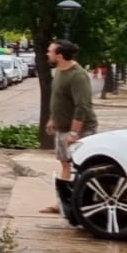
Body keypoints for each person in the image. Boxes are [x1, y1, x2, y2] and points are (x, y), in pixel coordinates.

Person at [43, 38, 99, 214]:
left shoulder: (77, 75)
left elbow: (82, 106)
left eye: (50, 51)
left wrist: (75, 132)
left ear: (59, 55)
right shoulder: (59, 71)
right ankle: (63, 202)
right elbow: (58, 98)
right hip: (62, 127)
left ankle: (79, 203)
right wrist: (53, 119)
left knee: (78, 166)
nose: (47, 53)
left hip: (79, 130)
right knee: (65, 163)